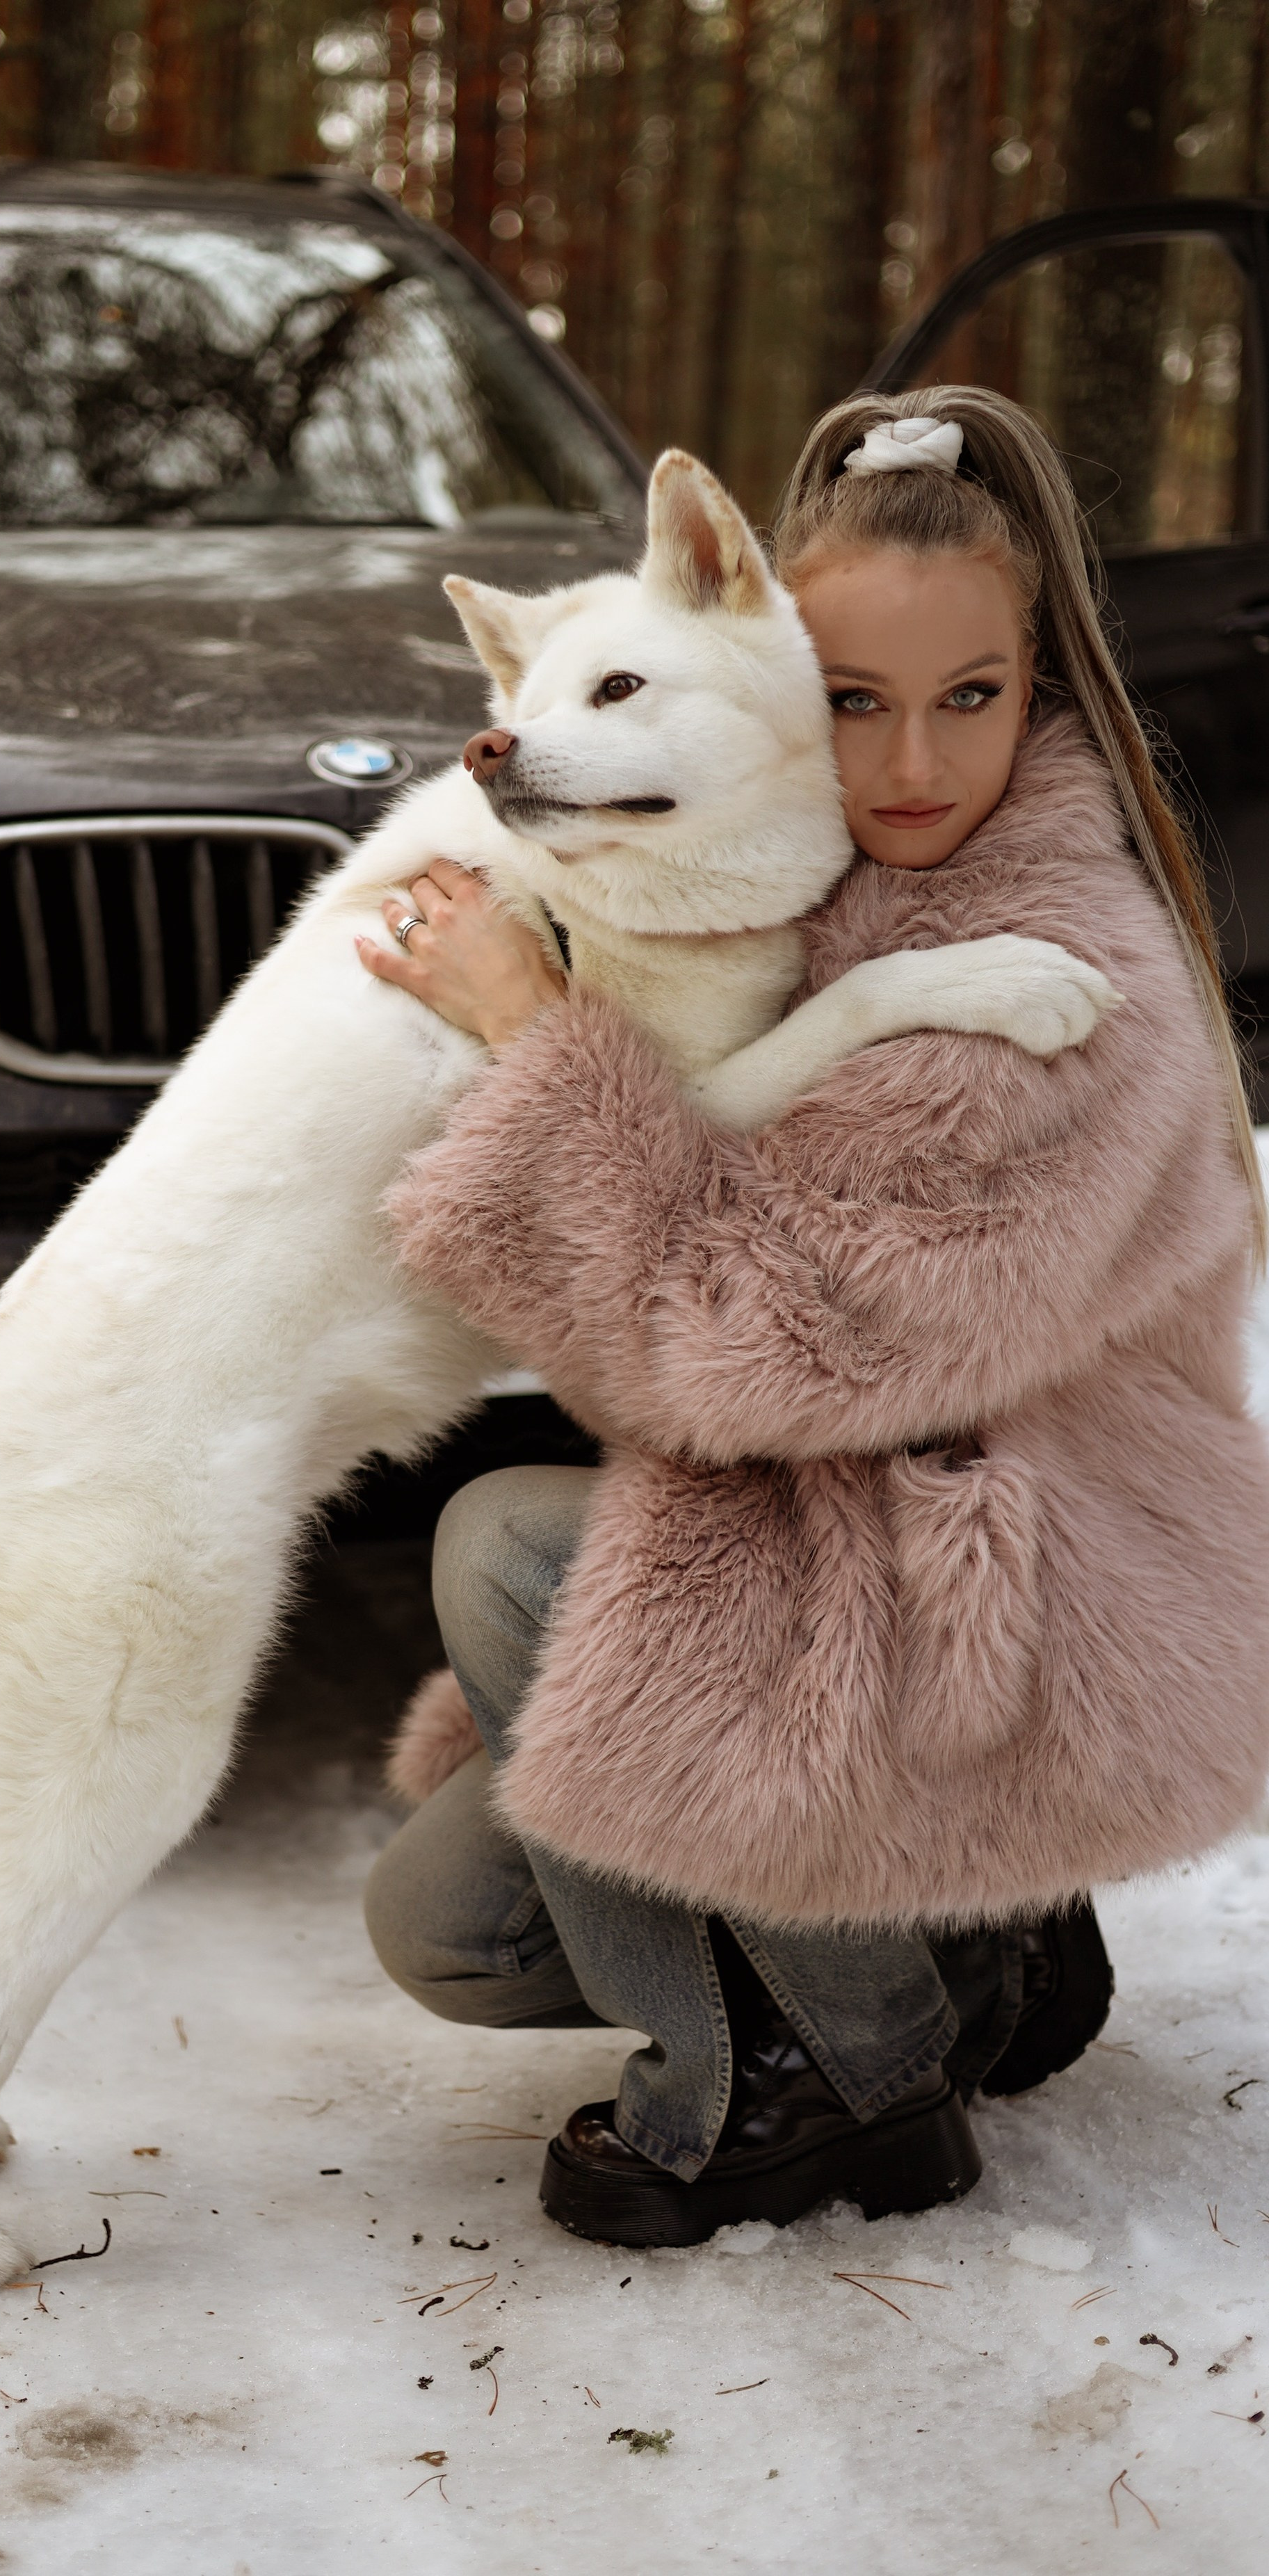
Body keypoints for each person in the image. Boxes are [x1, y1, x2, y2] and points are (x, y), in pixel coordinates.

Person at [356, 388, 1269, 2250]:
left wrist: (539, 1039)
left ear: (1045, 692)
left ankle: (842, 2074)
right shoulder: (822, 884)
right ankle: (969, 1936)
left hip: (1029, 1611)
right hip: (910, 1542)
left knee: (510, 1553)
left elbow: (737, 1355)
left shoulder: (1051, 983)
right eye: (857, 702)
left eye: (974, 697)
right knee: (449, 1930)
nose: (917, 761)